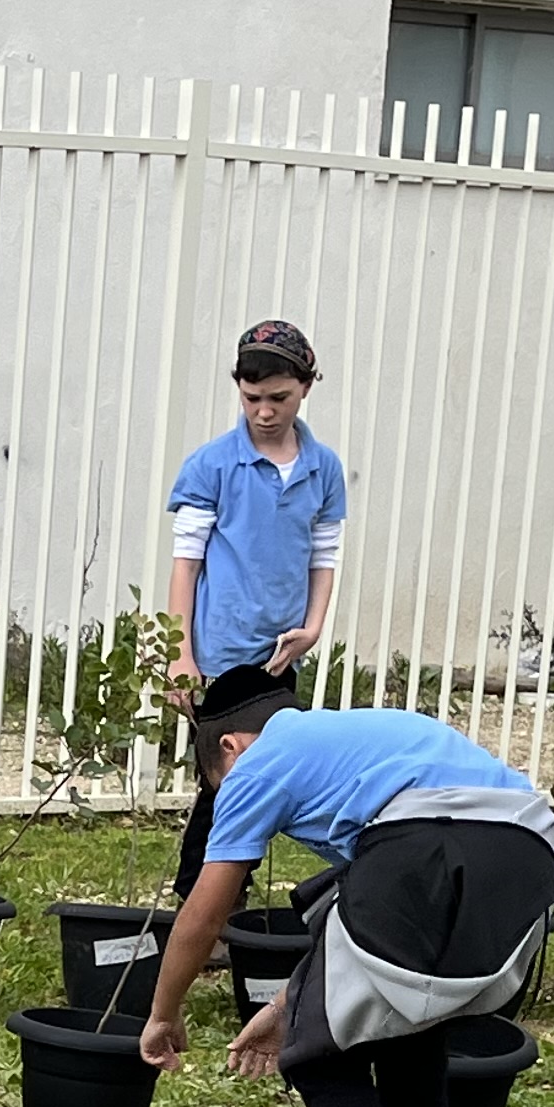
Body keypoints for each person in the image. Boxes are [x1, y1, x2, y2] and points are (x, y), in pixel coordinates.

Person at [141, 703, 554, 1107]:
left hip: (428, 844)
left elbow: (205, 914)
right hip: (528, 854)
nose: (229, 801)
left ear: (230, 746)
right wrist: (294, 1001)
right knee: (408, 1032)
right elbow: (367, 931)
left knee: (317, 1056)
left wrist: (163, 1013)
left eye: (218, 789)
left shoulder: (260, 761)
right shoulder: (357, 747)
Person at [161, 320, 348, 896]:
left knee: (258, 780)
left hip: (277, 656)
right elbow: (186, 564)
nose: (264, 411)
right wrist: (181, 655)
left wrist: (313, 628)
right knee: (228, 785)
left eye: (278, 398)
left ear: (306, 388)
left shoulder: (324, 468)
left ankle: (220, 907)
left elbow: (325, 553)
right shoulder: (213, 465)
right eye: (251, 398)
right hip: (220, 656)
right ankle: (204, 902)